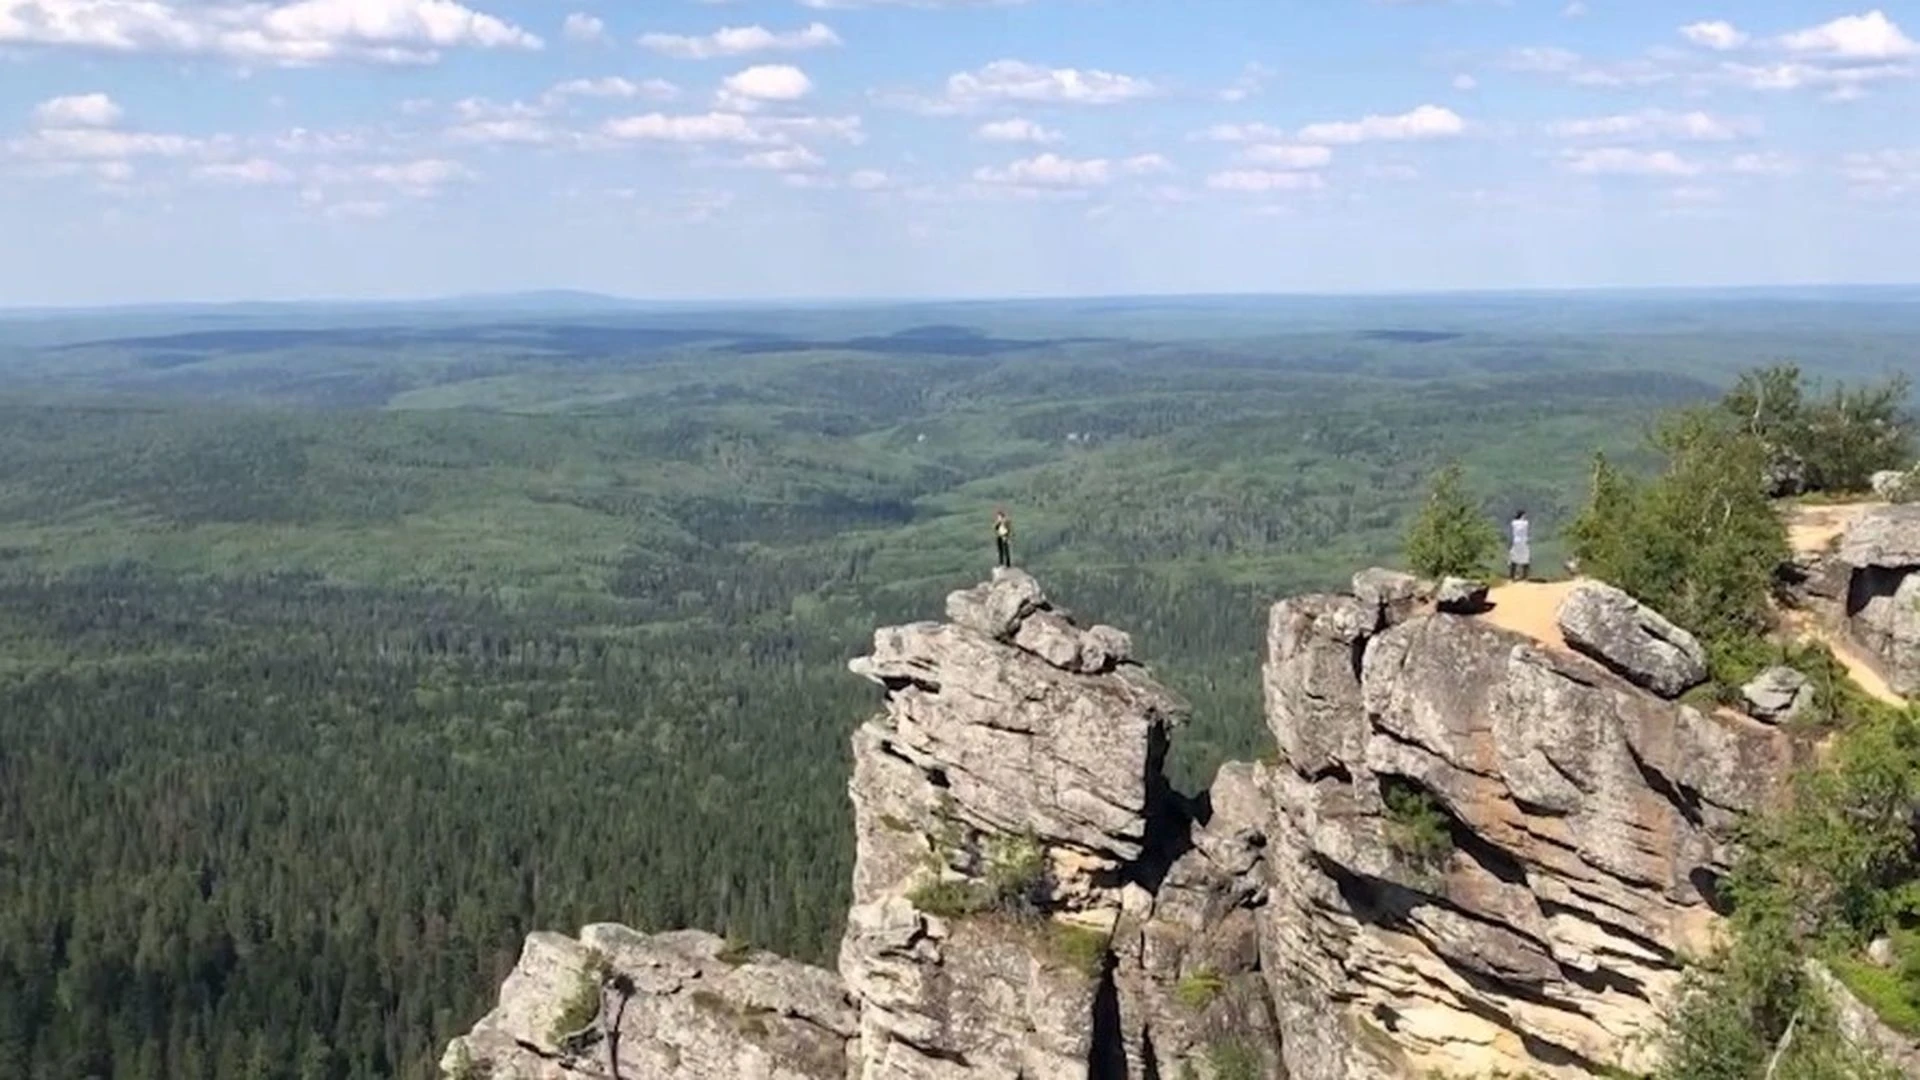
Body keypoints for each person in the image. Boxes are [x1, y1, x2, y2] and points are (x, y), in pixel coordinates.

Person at [1508, 509, 1531, 582]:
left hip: (1516, 541)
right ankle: (1525, 576)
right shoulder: (1526, 523)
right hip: (1523, 541)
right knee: (1525, 558)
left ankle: (1512, 576)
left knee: (1514, 558)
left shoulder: (1513, 522)